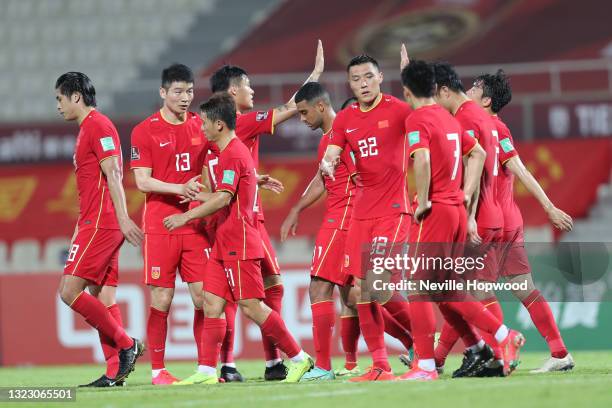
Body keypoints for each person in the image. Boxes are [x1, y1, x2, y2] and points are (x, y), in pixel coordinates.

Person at [163, 93, 314, 384]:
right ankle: (207, 371)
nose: (201, 128)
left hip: (239, 241)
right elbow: (226, 192)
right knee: (211, 303)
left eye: (205, 123)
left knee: (251, 306)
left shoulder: (232, 152)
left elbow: (223, 199)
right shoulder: (227, 154)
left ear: (219, 124)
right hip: (223, 241)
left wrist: (185, 217)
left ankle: (299, 358)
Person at [208, 40, 324, 380]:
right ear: (231, 93)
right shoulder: (239, 123)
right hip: (241, 222)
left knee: (265, 287)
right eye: (247, 85)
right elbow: (290, 108)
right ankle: (275, 360)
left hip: (244, 216)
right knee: (244, 296)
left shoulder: (227, 130)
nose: (253, 90)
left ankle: (259, 364)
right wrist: (315, 74)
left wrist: (251, 178)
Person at [397, 59, 510, 381]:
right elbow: (478, 154)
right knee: (446, 289)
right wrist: (467, 194)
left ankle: (426, 366)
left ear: (407, 91)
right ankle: (499, 338)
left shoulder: (418, 119)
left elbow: (423, 158)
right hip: (458, 211)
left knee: (418, 287)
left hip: (438, 211)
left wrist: (425, 198)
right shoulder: (448, 120)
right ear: (434, 88)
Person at [468, 69, 574, 373]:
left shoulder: (493, 128)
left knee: (472, 291)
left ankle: (487, 353)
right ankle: (559, 353)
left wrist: (550, 207)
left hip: (495, 223)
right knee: (523, 288)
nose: (469, 91)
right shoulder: (482, 124)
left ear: (486, 100)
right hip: (507, 219)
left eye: (475, 88)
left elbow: (520, 169)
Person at [320, 54, 414, 382]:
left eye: (368, 77)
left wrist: (411, 79)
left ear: (379, 77)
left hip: (393, 209)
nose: (362, 84)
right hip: (361, 213)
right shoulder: (345, 119)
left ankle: (423, 343)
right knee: (361, 291)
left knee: (376, 285)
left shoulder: (399, 109)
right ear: (350, 84)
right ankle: (380, 366)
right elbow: (332, 151)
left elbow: (428, 121)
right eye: (356, 79)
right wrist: (328, 164)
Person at [55, 71, 144, 387]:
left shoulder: (98, 125)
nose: (58, 106)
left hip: (102, 222)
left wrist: (121, 218)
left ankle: (127, 344)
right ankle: (114, 372)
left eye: (60, 98)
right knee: (102, 295)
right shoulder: (87, 128)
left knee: (69, 291)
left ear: (75, 96)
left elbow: (114, 172)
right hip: (95, 220)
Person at [431, 61, 515, 376]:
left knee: (448, 288)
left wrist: (466, 216)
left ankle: (498, 346)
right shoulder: (482, 116)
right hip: (491, 212)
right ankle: (485, 353)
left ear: (441, 91)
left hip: (477, 217)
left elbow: (473, 166)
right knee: (467, 290)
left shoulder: (466, 118)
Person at [130, 64, 210, 385]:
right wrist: (180, 188)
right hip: (160, 225)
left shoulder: (200, 126)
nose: (185, 97)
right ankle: (158, 370)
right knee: (161, 299)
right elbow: (142, 182)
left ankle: (206, 368)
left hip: (193, 224)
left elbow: (211, 169)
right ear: (163, 93)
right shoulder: (144, 130)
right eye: (178, 91)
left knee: (205, 298)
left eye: (190, 91)